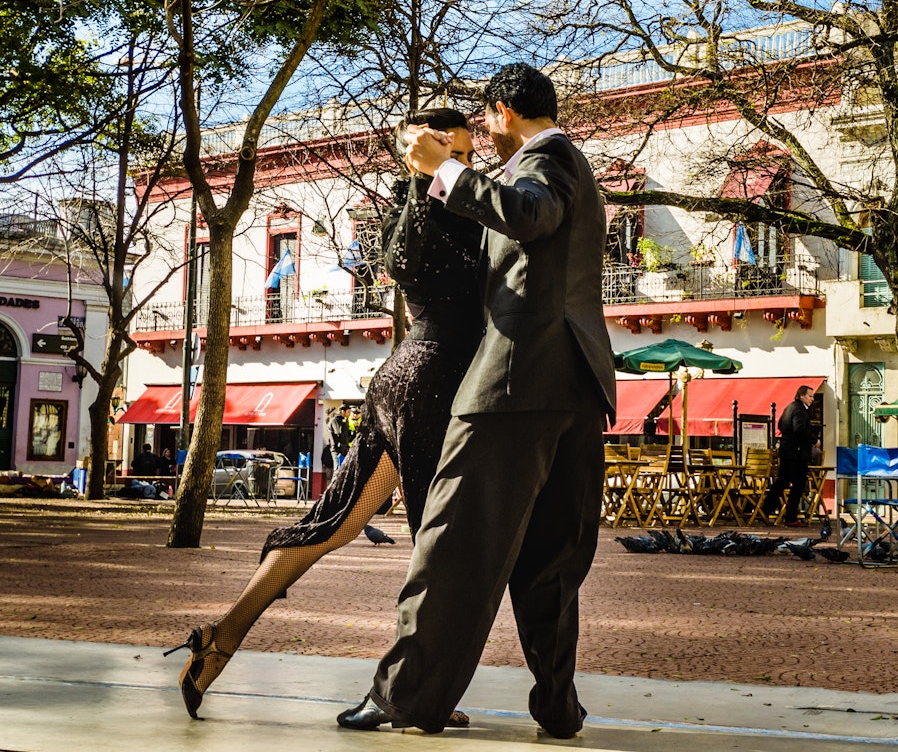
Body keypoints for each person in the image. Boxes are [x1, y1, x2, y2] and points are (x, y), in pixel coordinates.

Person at [166, 106, 486, 723]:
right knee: (437, 547)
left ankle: (220, 639)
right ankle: (411, 691)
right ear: (423, 151)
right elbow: (405, 264)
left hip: (408, 381)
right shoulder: (424, 212)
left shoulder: (447, 209)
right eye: (456, 154)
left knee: (334, 522)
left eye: (469, 157)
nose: (466, 166)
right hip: (429, 386)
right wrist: (430, 178)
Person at [336, 63, 617, 738]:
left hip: (513, 386)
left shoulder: (541, 164)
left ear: (503, 112)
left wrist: (446, 170)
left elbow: (528, 215)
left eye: (486, 123)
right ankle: (557, 706)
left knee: (450, 543)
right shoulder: (578, 168)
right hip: (578, 386)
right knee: (553, 557)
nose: (483, 136)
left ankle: (404, 697)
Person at [761, 384, 818, 528]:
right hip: (796, 453)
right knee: (798, 485)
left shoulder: (789, 407)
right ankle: (790, 517)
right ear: (801, 396)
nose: (812, 399)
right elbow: (799, 429)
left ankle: (765, 511)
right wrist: (814, 439)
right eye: (810, 396)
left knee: (782, 482)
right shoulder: (800, 410)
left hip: (786, 450)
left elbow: (780, 424)